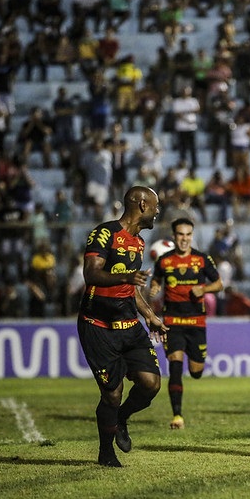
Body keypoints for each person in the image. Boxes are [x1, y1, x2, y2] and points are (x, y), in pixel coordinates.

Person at [77, 186, 169, 468]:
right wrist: (127, 276)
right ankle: (106, 453)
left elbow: (131, 289)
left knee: (151, 384)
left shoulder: (139, 242)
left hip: (128, 324)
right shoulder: (105, 233)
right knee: (112, 394)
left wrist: (150, 315)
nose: (157, 211)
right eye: (155, 206)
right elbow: (91, 274)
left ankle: (122, 418)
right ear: (141, 204)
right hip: (98, 326)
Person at [150, 218, 223, 430]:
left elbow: (219, 283)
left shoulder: (202, 259)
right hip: (172, 321)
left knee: (196, 371)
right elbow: (156, 280)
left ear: (192, 235)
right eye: (181, 235)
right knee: (175, 365)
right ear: (174, 237)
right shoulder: (164, 260)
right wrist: (154, 287)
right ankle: (177, 416)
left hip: (197, 322)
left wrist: (205, 290)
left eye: (188, 235)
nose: (184, 239)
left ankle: (195, 367)